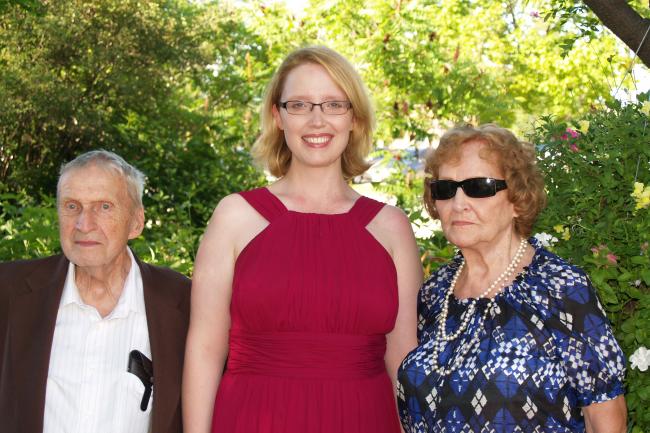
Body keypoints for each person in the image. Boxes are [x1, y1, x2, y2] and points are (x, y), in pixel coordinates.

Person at [182, 45, 423, 433]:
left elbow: (403, 358)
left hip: (365, 419)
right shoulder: (235, 217)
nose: (317, 120)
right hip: (251, 418)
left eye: (333, 104)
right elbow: (205, 349)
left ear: (354, 119)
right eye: (300, 105)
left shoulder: (391, 228)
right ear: (278, 116)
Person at [397, 124, 627, 433]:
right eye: (445, 189)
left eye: (479, 186)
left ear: (518, 200)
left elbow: (606, 420)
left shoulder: (562, 289)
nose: (459, 202)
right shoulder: (435, 293)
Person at [0, 150, 191, 433]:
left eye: (104, 207)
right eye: (72, 206)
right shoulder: (10, 291)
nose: (84, 224)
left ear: (136, 222)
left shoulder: (182, 302)